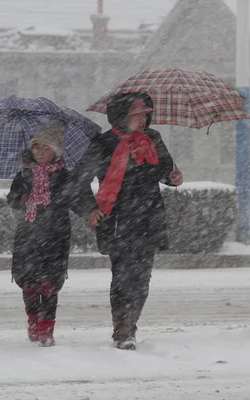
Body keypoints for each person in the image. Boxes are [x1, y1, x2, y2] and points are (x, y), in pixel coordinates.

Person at [72, 92, 183, 350]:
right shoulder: (103, 144)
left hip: (148, 216)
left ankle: (131, 325)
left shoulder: (152, 139)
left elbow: (163, 171)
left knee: (142, 277)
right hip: (117, 218)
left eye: (146, 114)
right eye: (137, 115)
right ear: (121, 117)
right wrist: (89, 209)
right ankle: (122, 330)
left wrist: (173, 177)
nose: (143, 120)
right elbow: (77, 182)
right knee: (122, 276)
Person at [6, 120, 77, 347]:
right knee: (29, 283)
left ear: (55, 152)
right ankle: (33, 321)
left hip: (56, 235)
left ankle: (47, 328)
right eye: (36, 147)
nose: (40, 152)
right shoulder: (23, 174)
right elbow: (12, 200)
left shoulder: (64, 175)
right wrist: (22, 197)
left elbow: (71, 198)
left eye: (47, 148)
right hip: (28, 234)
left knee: (48, 283)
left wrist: (54, 201)